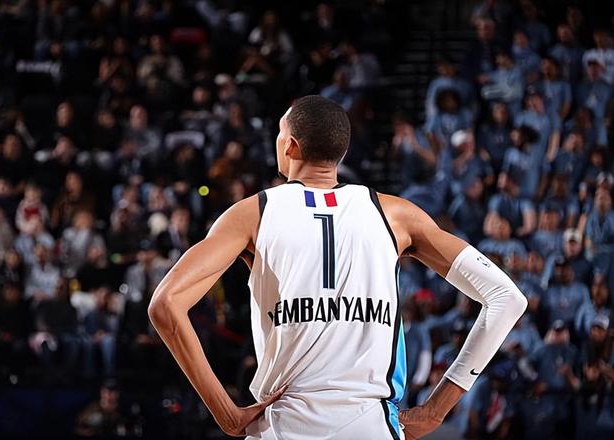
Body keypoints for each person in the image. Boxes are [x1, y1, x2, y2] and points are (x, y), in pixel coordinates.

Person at [148, 96, 527, 439]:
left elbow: (165, 304)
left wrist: (226, 414)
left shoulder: (254, 213)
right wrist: (435, 410)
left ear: (290, 146)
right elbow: (506, 298)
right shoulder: (397, 215)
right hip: (370, 426)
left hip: (283, 427)